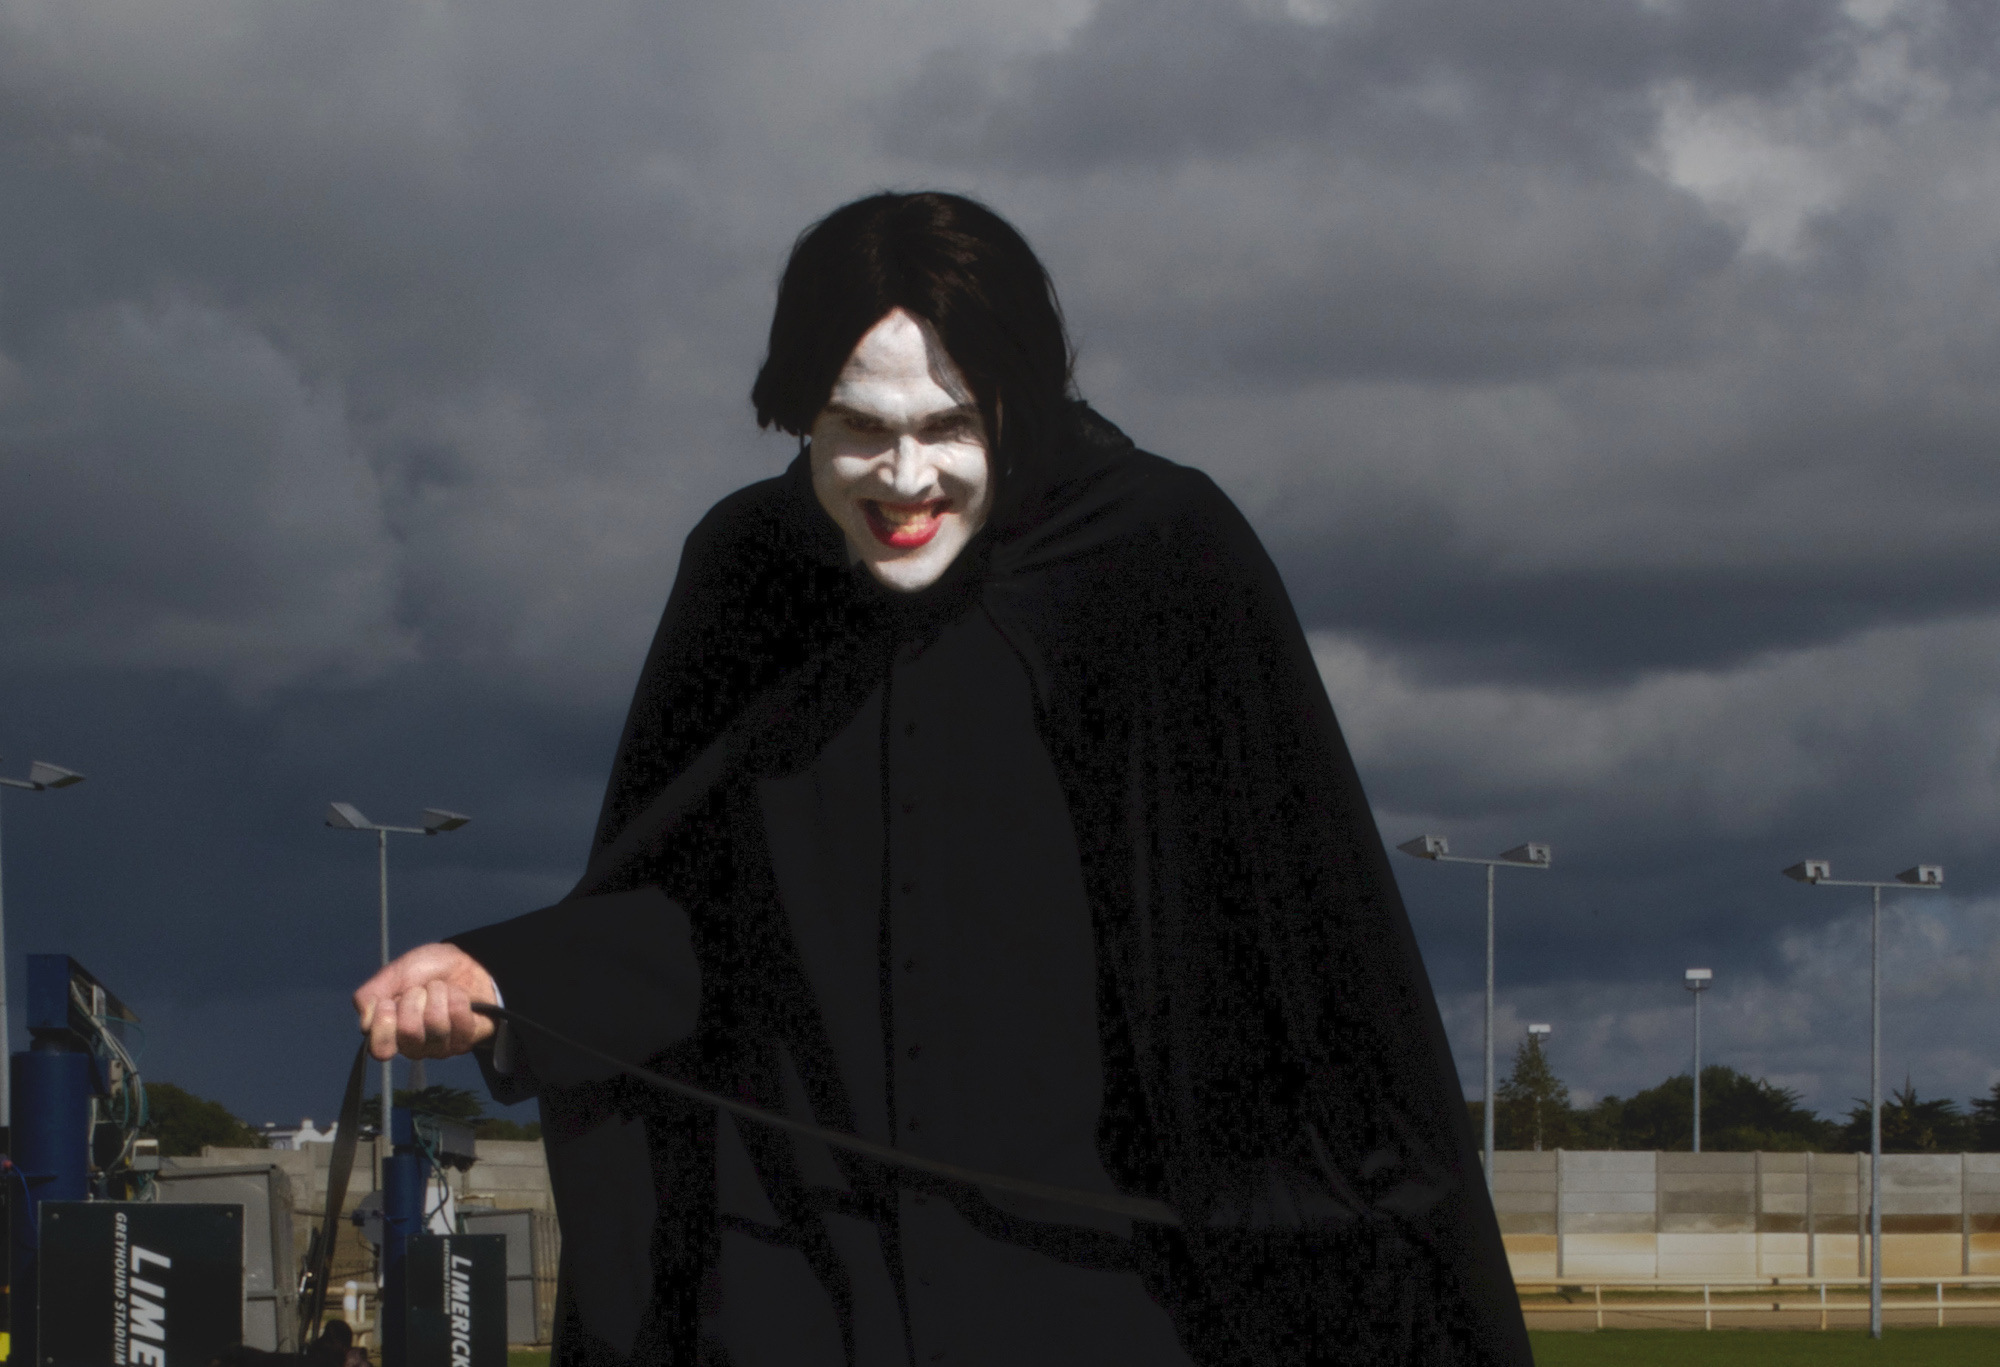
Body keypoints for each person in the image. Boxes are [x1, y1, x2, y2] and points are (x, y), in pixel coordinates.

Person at [354, 191, 1530, 1366]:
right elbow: (696, 915)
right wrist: (507, 973)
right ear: (796, 410)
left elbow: (1291, 953)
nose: (903, 478)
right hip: (797, 1275)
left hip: (1096, 1290)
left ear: (1022, 401)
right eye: (856, 428)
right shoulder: (748, 573)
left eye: (950, 426)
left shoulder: (1162, 556)